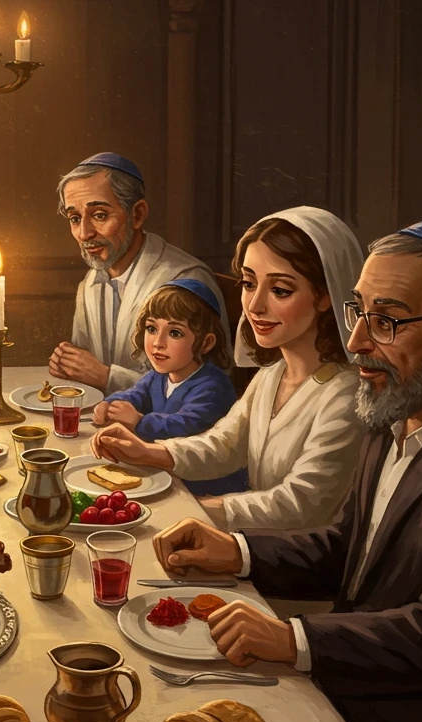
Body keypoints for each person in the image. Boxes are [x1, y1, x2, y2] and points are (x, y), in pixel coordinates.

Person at [150, 220, 422, 722]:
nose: (359, 340)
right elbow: (347, 545)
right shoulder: (399, 408)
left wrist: (294, 640)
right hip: (363, 686)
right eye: (358, 312)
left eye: (388, 320)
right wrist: (235, 551)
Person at [91, 207, 365, 530]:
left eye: (280, 290)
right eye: (249, 284)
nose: (255, 305)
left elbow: (299, 502)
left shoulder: (345, 395)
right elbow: (224, 444)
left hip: (296, 563)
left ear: (325, 296)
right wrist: (148, 452)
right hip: (254, 542)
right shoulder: (271, 375)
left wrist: (195, 509)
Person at [49, 152, 227, 394]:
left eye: (100, 215)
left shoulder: (185, 280)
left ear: (138, 214)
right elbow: (83, 370)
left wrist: (107, 377)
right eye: (75, 218)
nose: (84, 233)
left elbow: (208, 388)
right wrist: (69, 365)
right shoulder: (90, 282)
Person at [91, 278, 247, 495]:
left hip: (203, 486)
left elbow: (186, 424)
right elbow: (136, 395)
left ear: (206, 343)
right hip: (164, 472)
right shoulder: (158, 376)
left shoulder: (213, 386)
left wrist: (139, 421)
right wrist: (110, 405)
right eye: (152, 328)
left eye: (175, 333)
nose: (158, 342)